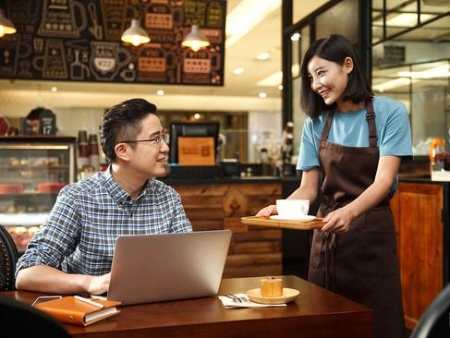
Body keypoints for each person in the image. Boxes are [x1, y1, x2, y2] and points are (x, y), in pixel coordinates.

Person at [257, 34, 412, 338]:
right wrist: (282, 207)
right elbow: (308, 188)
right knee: (323, 324)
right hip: (327, 238)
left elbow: (383, 181)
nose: (316, 85)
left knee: (376, 325)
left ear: (348, 65)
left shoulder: (390, 112)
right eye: (311, 78)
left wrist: (350, 213)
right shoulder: (314, 123)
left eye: (321, 72)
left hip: (372, 238)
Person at [15, 98, 193, 295]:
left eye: (163, 137)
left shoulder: (168, 197)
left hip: (155, 310)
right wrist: (89, 283)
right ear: (123, 150)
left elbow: (188, 264)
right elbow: (27, 273)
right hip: (93, 317)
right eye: (155, 139)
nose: (166, 148)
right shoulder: (78, 197)